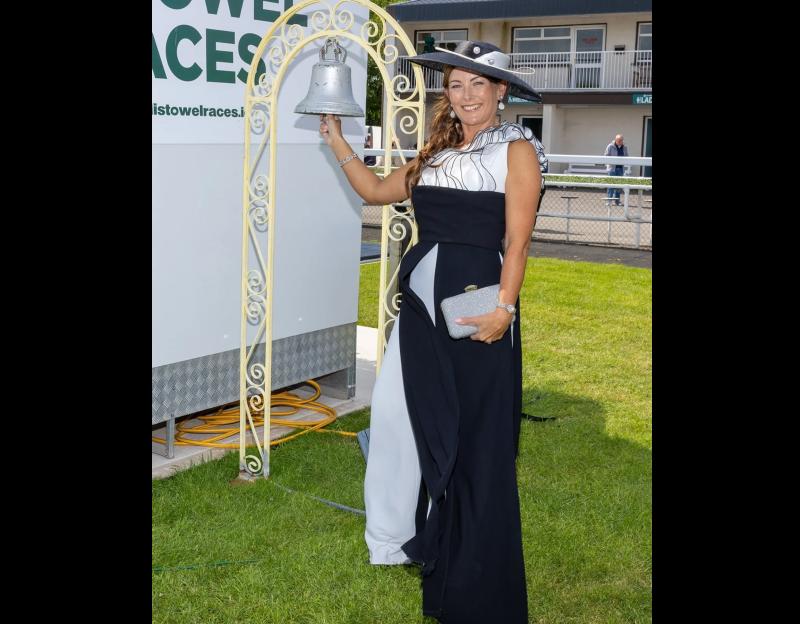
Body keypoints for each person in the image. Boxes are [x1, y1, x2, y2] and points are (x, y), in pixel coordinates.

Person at [320, 40, 547, 623]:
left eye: (478, 84)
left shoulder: (518, 149)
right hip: (419, 313)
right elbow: (375, 192)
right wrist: (338, 141)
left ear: (500, 93)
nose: (465, 94)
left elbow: (518, 240)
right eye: (455, 84)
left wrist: (505, 308)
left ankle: (472, 561)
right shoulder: (436, 151)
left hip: (476, 310)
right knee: (398, 417)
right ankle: (399, 536)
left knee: (473, 434)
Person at [604, 133, 629, 206]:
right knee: (611, 185)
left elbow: (627, 156)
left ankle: (617, 201)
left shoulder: (625, 147)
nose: (620, 141)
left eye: (621, 140)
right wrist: (611, 162)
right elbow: (606, 155)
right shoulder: (610, 146)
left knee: (618, 186)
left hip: (620, 168)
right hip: (612, 169)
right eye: (619, 140)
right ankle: (609, 201)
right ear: (615, 140)